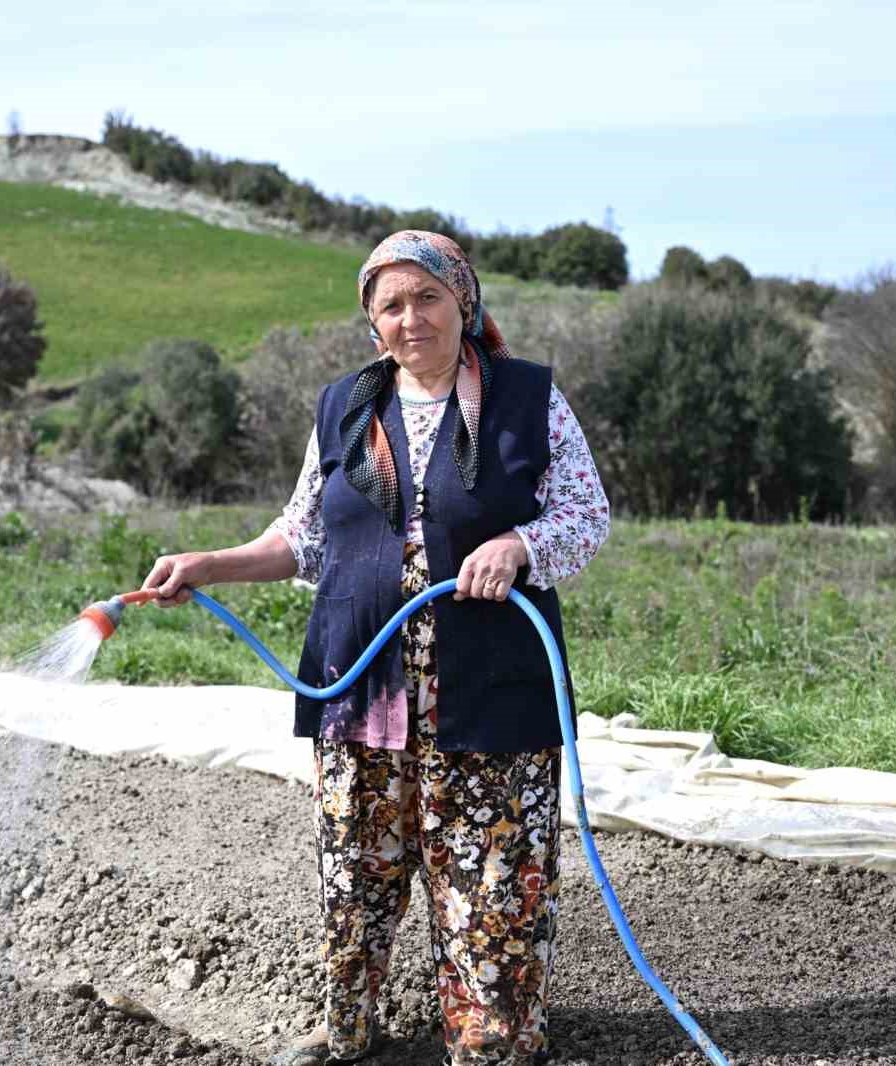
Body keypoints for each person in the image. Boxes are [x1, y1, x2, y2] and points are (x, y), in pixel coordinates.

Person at [142, 230, 610, 1066]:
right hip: (360, 685)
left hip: (490, 687)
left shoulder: (530, 400)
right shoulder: (345, 407)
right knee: (356, 872)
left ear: (464, 302)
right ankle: (350, 1028)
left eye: (427, 297)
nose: (411, 318)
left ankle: (490, 1040)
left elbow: (585, 514)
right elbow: (304, 538)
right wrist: (210, 563)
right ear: (371, 322)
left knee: (494, 877)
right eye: (390, 305)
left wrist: (521, 546)